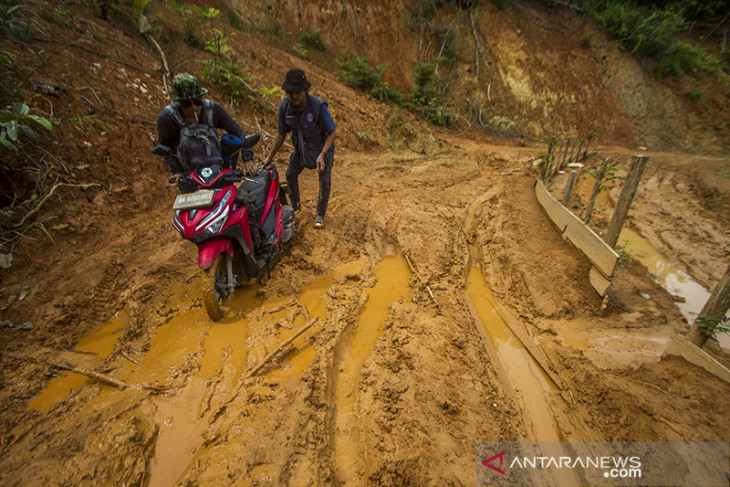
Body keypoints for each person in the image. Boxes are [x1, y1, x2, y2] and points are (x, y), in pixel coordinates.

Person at [261, 69, 336, 229]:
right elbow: (281, 134)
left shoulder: (318, 106)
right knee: (290, 173)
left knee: (324, 182)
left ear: (305, 90)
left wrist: (322, 154)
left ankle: (320, 215)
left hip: (322, 149)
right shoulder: (285, 107)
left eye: (297, 92)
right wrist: (269, 157)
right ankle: (295, 203)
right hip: (302, 148)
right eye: (290, 92)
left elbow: (332, 132)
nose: (294, 96)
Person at [156, 73, 253, 183]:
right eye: (187, 104)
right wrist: (176, 171)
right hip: (189, 178)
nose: (194, 107)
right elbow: (166, 149)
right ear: (178, 102)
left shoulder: (213, 110)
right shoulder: (167, 118)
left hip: (218, 174)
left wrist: (247, 156)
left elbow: (238, 131)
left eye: (197, 102)